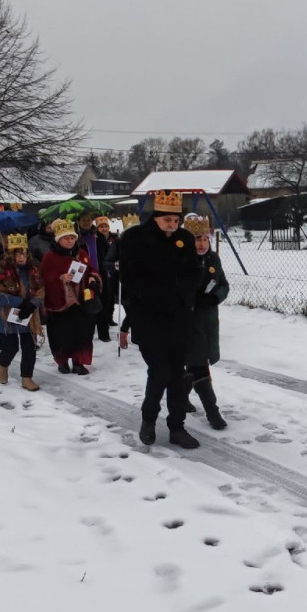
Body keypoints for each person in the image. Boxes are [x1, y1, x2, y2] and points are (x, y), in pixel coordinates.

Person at [119, 190, 202, 449]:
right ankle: (148, 420)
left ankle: (177, 426)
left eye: (176, 221)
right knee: (159, 372)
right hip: (149, 318)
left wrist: (183, 295)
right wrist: (155, 297)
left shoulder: (184, 239)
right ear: (155, 217)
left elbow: (194, 273)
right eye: (167, 220)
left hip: (178, 318)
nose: (173, 225)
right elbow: (130, 280)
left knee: (177, 374)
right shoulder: (134, 239)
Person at [183, 214, 229, 429]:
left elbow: (223, 285)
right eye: (196, 239)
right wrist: (192, 298)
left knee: (194, 365)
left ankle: (181, 397)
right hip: (188, 322)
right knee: (199, 365)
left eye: (204, 239)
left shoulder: (213, 259)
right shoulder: (181, 261)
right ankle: (213, 413)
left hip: (208, 321)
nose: (201, 244)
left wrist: (214, 297)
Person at [40, 219, 101, 375]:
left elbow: (91, 269)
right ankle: (62, 361)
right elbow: (44, 280)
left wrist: (93, 278)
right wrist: (60, 279)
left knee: (82, 333)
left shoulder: (81, 254)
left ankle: (79, 362)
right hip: (61, 304)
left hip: (81, 301)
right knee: (62, 334)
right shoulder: (49, 257)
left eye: (72, 238)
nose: (70, 241)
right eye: (66, 238)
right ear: (58, 239)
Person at [0, 233, 44, 391]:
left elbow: (40, 289)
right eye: (17, 253)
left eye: (24, 253)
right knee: (11, 346)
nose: (22, 257)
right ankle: (2, 366)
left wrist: (32, 304)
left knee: (29, 345)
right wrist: (19, 302)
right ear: (10, 254)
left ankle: (27, 377)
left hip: (28, 313)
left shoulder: (33, 268)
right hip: (6, 313)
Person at [94, 215, 117, 341]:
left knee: (110, 298)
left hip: (112, 272)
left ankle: (109, 318)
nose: (103, 229)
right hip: (101, 271)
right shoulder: (96, 238)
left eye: (105, 226)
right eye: (101, 227)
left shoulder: (114, 238)